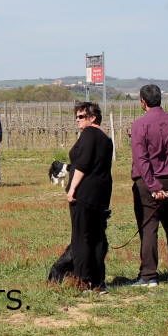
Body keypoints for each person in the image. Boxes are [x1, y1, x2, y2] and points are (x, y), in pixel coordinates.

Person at [130, 84, 168, 287]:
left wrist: (153, 186)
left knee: (149, 228)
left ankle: (149, 276)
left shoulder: (140, 125)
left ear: (143, 101)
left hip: (148, 183)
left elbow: (141, 159)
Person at [65, 101, 113, 293]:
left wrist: (72, 189)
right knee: (98, 237)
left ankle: (84, 281)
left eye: (82, 116)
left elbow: (82, 165)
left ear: (93, 117)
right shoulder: (105, 137)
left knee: (81, 237)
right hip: (101, 193)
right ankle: (99, 281)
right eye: (76, 117)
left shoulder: (89, 134)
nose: (77, 120)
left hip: (84, 194)